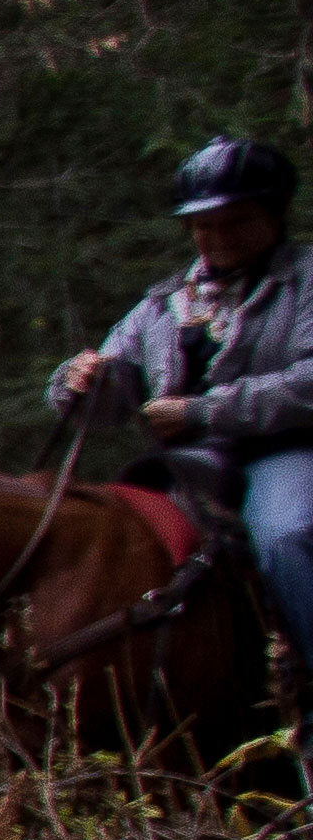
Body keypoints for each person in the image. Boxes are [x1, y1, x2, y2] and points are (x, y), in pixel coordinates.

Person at [53, 136, 313, 677]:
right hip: (185, 466)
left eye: (236, 221)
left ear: (275, 213)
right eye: (203, 226)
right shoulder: (163, 304)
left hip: (287, 451)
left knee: (287, 537)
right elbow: (111, 396)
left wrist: (202, 412)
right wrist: (80, 383)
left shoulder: (307, 281)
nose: (217, 238)